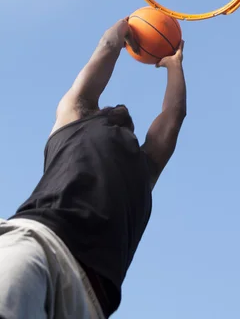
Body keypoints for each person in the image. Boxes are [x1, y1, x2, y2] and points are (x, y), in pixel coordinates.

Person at [0, 18, 187, 319]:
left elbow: (174, 114)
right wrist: (127, 26)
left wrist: (174, 64)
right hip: (41, 245)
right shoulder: (75, 118)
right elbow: (108, 46)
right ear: (97, 111)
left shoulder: (145, 168)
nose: (123, 108)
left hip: (90, 303)